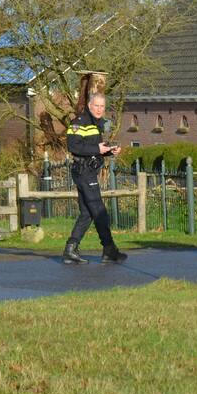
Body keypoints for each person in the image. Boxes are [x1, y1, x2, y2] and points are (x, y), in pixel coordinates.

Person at [62, 93, 127, 265]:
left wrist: (110, 151)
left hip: (89, 170)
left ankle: (71, 248)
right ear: (89, 105)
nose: (99, 109)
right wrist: (97, 148)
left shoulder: (99, 124)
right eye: (96, 106)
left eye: (102, 107)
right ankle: (109, 249)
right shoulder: (78, 122)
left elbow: (97, 149)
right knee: (99, 211)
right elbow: (73, 146)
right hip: (83, 172)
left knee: (87, 213)